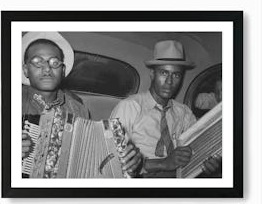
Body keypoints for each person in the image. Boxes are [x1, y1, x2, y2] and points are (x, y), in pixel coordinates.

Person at [22, 32, 141, 178]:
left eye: (54, 63)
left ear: (63, 70)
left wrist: (125, 160)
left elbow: (90, 159)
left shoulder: (78, 108)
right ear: (26, 69)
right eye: (37, 61)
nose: (47, 69)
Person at [111, 40, 221, 177]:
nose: (169, 82)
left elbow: (197, 149)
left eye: (176, 75)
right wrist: (163, 163)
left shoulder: (184, 112)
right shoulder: (129, 107)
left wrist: (206, 163)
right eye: (164, 73)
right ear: (152, 74)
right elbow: (112, 159)